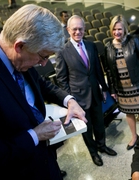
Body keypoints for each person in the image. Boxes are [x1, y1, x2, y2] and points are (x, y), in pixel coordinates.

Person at [0, 4, 87, 180]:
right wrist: (35, 135)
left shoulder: (21, 56)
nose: (44, 64)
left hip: (44, 162)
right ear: (19, 46)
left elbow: (40, 83)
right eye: (43, 56)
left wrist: (69, 100)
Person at [55, 15, 117, 166]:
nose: (78, 32)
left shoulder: (91, 45)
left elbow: (97, 69)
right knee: (86, 128)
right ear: (68, 30)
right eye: (74, 29)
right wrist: (71, 100)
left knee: (99, 123)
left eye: (80, 29)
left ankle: (102, 146)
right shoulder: (62, 50)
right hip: (78, 98)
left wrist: (104, 88)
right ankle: (93, 152)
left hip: (95, 93)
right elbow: (62, 78)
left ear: (84, 29)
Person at [103, 15, 139, 151]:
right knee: (129, 114)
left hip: (138, 85)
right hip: (122, 89)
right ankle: (134, 137)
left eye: (119, 29)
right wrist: (113, 90)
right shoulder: (108, 47)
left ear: (124, 28)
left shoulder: (135, 40)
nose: (116, 32)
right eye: (114, 29)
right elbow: (109, 71)